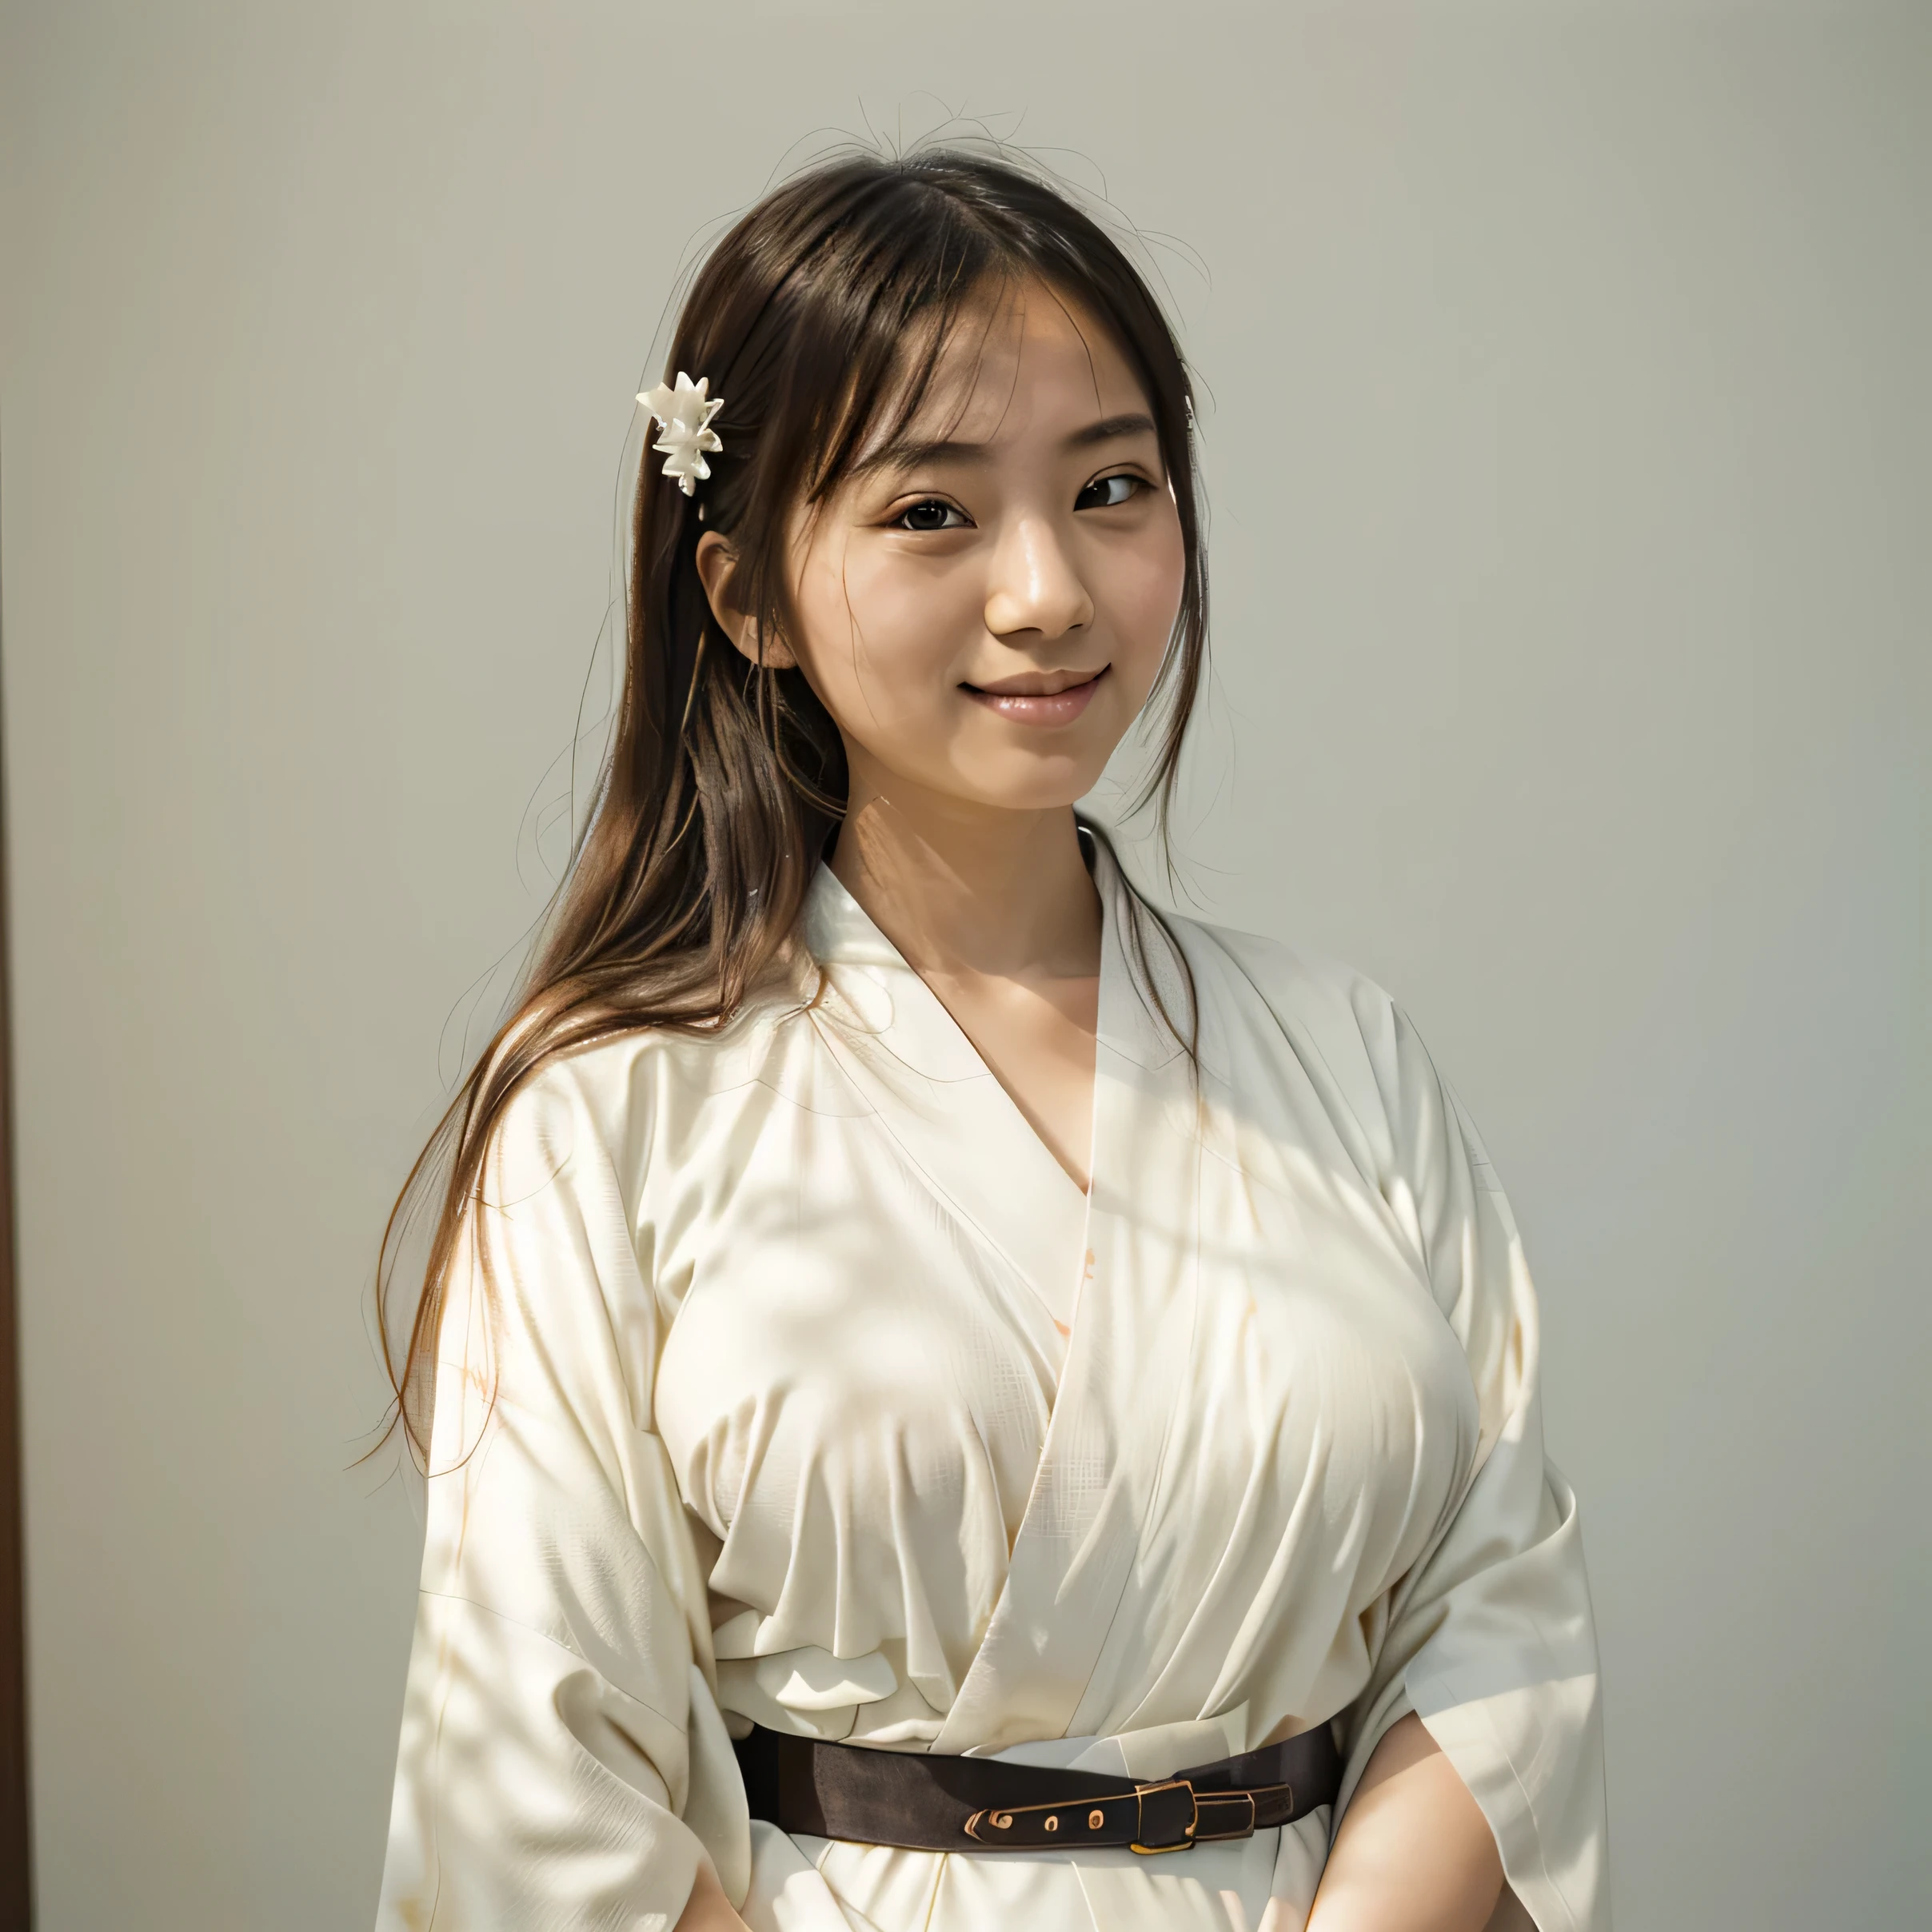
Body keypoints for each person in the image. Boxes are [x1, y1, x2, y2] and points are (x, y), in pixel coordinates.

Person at [375, 149, 1607, 1932]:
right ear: (746, 597)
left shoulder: (1345, 1054)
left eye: (1110, 487)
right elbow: (530, 1771)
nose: (1046, 589)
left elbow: (1497, 1618)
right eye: (931, 512)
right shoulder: (611, 1107)